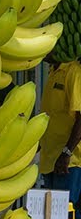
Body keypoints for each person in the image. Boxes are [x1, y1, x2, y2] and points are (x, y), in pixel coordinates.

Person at [41, 54, 81, 205]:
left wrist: (66, 153)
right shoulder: (52, 72)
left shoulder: (73, 72)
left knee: (66, 212)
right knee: (51, 214)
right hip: (49, 160)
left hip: (68, 162)